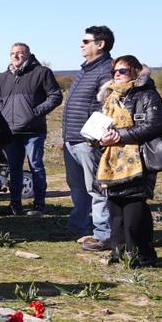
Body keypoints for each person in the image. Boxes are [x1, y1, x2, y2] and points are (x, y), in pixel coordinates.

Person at [94, 56, 162, 268]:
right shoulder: (110, 96)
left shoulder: (147, 94)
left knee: (134, 211)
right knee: (115, 210)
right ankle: (120, 252)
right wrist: (99, 138)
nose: (117, 74)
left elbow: (154, 125)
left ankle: (142, 254)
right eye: (115, 70)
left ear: (136, 71)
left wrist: (120, 136)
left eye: (122, 70)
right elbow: (101, 125)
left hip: (139, 160)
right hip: (112, 162)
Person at [63, 26, 116, 251]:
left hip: (88, 142)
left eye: (86, 41)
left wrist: (95, 137)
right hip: (71, 139)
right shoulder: (86, 69)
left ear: (100, 44)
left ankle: (103, 233)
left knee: (96, 187)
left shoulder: (106, 69)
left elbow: (108, 106)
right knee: (77, 186)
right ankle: (79, 225)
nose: (81, 44)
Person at [0, 42, 63, 216]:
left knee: (36, 166)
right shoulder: (4, 77)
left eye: (20, 53)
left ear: (28, 54)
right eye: (13, 53)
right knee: (14, 168)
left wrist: (37, 111)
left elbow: (56, 96)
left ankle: (39, 204)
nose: (16, 56)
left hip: (34, 130)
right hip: (11, 131)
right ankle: (15, 205)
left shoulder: (41, 72)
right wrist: (1, 113)